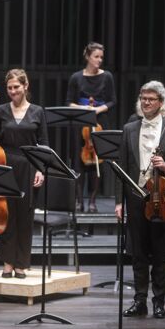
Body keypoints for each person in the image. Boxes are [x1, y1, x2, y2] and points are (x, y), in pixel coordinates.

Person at [116, 82, 165, 319]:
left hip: (162, 198)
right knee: (138, 254)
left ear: (161, 103)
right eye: (143, 98)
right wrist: (120, 201)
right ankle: (140, 301)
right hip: (137, 197)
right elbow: (122, 168)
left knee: (160, 254)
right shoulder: (129, 129)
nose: (146, 102)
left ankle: (159, 302)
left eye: (151, 99)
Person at [0, 69, 47, 279]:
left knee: (25, 215)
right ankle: (8, 262)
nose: (13, 91)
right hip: (5, 164)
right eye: (9, 88)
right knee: (6, 214)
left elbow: (44, 143)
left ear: (25, 86)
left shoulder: (37, 111)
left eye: (16, 87)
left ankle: (21, 264)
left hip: (28, 165)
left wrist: (41, 170)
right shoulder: (0, 111)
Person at [66, 41, 116, 212]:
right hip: (80, 122)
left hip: (100, 120)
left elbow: (112, 101)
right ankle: (79, 201)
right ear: (87, 57)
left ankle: (93, 201)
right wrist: (84, 109)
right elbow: (69, 102)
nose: (99, 60)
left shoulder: (107, 76)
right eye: (96, 57)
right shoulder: (76, 77)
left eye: (101, 57)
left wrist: (96, 110)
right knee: (78, 161)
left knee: (98, 161)